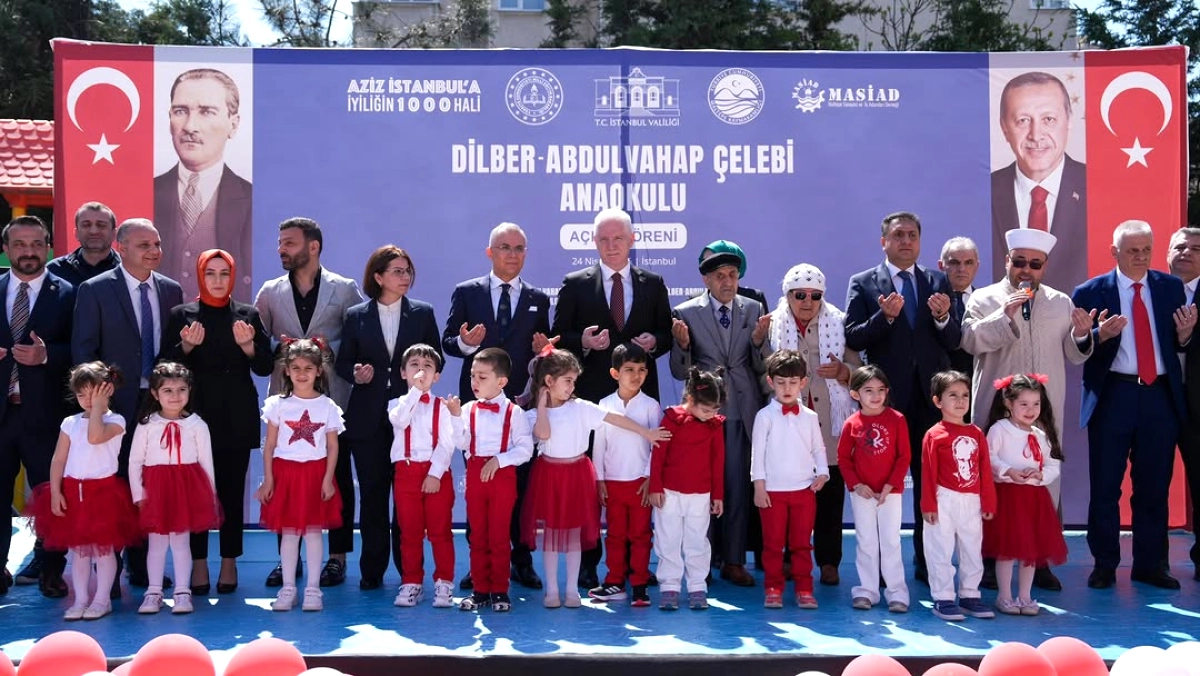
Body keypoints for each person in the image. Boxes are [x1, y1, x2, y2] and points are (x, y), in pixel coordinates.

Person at [960, 228, 1092, 591]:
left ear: (1044, 267)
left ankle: (1040, 560)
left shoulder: (1060, 302)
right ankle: (991, 561)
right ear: (1007, 261)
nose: (1026, 270)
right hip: (997, 410)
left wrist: (1084, 334)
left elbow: (1073, 353)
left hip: (1041, 413)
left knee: (1042, 481)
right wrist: (1005, 316)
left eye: (1035, 264)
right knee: (995, 483)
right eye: (1019, 262)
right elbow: (969, 340)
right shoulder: (984, 298)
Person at [553, 208, 673, 589]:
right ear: (594, 242)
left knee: (639, 483)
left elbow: (666, 333)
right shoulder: (575, 284)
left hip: (640, 399)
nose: (611, 246)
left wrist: (654, 342)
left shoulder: (653, 283)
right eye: (603, 239)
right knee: (592, 485)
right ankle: (590, 564)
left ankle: (638, 566)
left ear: (632, 240)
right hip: (592, 400)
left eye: (618, 238)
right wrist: (584, 342)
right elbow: (560, 335)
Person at [1072, 220, 1193, 590]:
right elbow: (1078, 347)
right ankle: (1104, 564)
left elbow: (1177, 342)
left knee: (1154, 485)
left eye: (1146, 250)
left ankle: (1151, 565)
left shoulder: (1170, 287)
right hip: (1113, 394)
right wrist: (1097, 335)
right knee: (1106, 486)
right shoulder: (1090, 291)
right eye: (1132, 251)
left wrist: (1185, 336)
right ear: (1115, 252)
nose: (1140, 257)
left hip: (1159, 396)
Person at [845, 211, 960, 583]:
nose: (906, 241)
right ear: (884, 242)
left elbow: (954, 340)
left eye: (912, 235)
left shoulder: (938, 281)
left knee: (930, 484)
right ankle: (881, 567)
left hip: (930, 400)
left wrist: (943, 318)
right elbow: (853, 336)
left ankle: (929, 562)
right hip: (884, 403)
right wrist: (885, 318)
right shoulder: (864, 282)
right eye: (898, 235)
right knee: (882, 485)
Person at [73, 218, 184, 593]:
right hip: (114, 405)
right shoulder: (95, 290)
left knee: (149, 483)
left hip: (157, 405)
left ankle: (142, 566)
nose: (154, 251)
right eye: (144, 245)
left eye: (157, 244)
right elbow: (84, 350)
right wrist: (96, 403)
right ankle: (111, 566)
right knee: (115, 484)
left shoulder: (171, 290)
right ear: (121, 248)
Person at [441, 222, 551, 592]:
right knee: (479, 490)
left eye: (519, 248)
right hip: (476, 407)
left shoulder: (538, 299)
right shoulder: (467, 292)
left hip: (519, 406)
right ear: (490, 252)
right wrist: (465, 343)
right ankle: (480, 564)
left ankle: (521, 561)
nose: (512, 254)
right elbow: (448, 342)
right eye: (505, 247)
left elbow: (543, 351)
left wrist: (543, 350)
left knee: (519, 487)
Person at [254, 217, 361, 588]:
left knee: (338, 476)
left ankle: (337, 557)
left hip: (333, 399)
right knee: (286, 477)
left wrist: (331, 349)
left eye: (289, 243)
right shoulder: (269, 291)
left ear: (313, 247)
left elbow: (359, 335)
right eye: (280, 243)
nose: (281, 249)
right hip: (285, 402)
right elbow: (258, 340)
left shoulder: (344, 288)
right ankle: (288, 560)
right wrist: (280, 348)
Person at [522, 348, 669, 609]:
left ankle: (571, 590)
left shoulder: (581, 407)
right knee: (552, 536)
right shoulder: (533, 415)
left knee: (574, 536)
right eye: (568, 380)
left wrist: (645, 432)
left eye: (573, 381)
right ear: (549, 381)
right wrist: (542, 406)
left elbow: (615, 419)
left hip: (577, 475)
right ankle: (552, 590)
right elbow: (542, 435)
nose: (572, 387)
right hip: (549, 477)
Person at [163, 249, 272, 595]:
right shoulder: (182, 315)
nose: (218, 280)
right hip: (194, 416)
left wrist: (249, 347)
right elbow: (164, 367)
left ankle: (228, 561)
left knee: (231, 492)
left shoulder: (248, 314)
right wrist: (185, 348)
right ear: (200, 276)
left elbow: (265, 366)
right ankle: (198, 562)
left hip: (236, 416)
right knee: (196, 494)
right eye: (210, 273)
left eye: (224, 273)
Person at [335, 245, 441, 591]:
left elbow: (436, 357)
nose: (404, 276)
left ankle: (409, 572)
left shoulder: (422, 313)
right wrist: (357, 372)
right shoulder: (356, 315)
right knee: (373, 496)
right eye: (397, 271)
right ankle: (372, 570)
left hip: (413, 421)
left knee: (408, 503)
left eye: (407, 270)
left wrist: (422, 374)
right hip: (367, 417)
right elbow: (343, 362)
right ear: (378, 277)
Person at [671, 246, 770, 587]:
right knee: (701, 488)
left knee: (739, 488)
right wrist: (683, 346)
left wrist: (758, 343)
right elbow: (678, 371)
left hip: (742, 410)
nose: (727, 282)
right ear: (706, 280)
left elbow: (762, 365)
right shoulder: (685, 312)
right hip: (703, 411)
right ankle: (702, 562)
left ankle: (734, 561)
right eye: (719, 276)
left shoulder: (754, 308)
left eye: (732, 275)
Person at [764, 263, 860, 586]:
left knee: (830, 494)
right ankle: (789, 559)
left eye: (815, 295)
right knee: (789, 492)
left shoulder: (840, 323)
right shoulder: (772, 325)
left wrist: (844, 372)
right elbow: (761, 370)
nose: (807, 302)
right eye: (800, 295)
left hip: (829, 423)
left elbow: (860, 368)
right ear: (787, 295)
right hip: (788, 424)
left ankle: (829, 561)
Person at [27, 362, 139, 620]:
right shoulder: (70, 422)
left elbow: (95, 437)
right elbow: (58, 459)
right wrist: (56, 491)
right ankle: (80, 599)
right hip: (73, 492)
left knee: (103, 550)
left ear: (108, 390)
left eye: (93, 394)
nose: (87, 400)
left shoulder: (116, 421)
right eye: (81, 394)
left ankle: (102, 600)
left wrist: (99, 408)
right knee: (78, 552)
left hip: (103, 493)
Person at [0, 216, 76, 598]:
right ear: (6, 249)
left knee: (50, 495)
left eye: (35, 244)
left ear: (47, 246)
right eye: (19, 244)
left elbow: (81, 349)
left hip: (47, 417)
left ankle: (51, 570)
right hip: (2, 416)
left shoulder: (69, 293)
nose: (28, 251)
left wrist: (47, 356)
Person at [256, 338, 345, 612]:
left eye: (308, 368)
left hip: (315, 474)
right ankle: (288, 588)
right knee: (290, 533)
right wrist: (268, 479)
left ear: (319, 371)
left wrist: (328, 478)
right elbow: (270, 445)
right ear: (286, 370)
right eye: (296, 367)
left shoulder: (328, 406)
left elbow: (332, 446)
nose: (302, 373)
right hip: (286, 474)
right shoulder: (277, 405)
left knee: (314, 533)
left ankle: (313, 590)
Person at [128, 362, 221, 616]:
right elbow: (135, 461)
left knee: (181, 542)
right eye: (167, 390)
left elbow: (207, 463)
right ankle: (153, 592)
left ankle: (182, 592)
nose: (175, 396)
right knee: (156, 544)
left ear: (190, 391)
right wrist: (138, 494)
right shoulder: (146, 425)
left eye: (181, 389)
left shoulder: (197, 425)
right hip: (156, 491)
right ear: (155, 393)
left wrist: (209, 496)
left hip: (185, 490)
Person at [154, 68, 252, 302]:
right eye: (180, 111)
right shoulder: (146, 193)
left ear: (233, 124)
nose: (190, 126)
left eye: (206, 112)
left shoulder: (254, 199)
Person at [452, 348, 535, 612]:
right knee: (477, 536)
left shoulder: (514, 412)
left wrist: (499, 460)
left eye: (482, 377)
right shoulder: (468, 409)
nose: (474, 382)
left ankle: (499, 590)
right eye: (472, 375)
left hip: (502, 477)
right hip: (476, 476)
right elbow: (461, 443)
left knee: (499, 536)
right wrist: (454, 418)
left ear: (501, 382)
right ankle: (479, 590)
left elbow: (525, 450)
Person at [991, 71, 1087, 294]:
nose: (1036, 134)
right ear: (1004, 127)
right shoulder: (983, 191)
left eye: (1048, 119)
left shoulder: (1098, 186)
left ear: (1069, 121)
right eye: (1023, 120)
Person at [982, 373, 1068, 617]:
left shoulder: (1040, 434)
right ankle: (1004, 596)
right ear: (1008, 403)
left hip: (1033, 499)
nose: (1031, 410)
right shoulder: (1000, 429)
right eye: (1024, 404)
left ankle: (1025, 596)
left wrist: (1040, 475)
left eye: (1036, 404)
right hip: (1008, 498)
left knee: (1030, 551)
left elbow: (1052, 465)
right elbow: (988, 458)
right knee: (1007, 550)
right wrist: (1009, 470)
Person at [751, 350, 828, 610]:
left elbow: (818, 447)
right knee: (773, 545)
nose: (787, 388)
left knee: (802, 544)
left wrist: (823, 472)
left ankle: (805, 589)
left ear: (803, 382)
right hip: (772, 492)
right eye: (781, 382)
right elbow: (757, 453)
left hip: (804, 490)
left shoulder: (810, 416)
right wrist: (759, 486)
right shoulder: (764, 416)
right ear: (770, 382)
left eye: (793, 382)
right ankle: (773, 588)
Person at [589, 343, 663, 606]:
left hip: (640, 483)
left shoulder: (651, 406)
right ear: (615, 373)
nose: (636, 375)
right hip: (613, 483)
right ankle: (615, 582)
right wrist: (599, 479)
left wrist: (649, 477)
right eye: (629, 369)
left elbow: (657, 446)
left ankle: (640, 585)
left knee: (641, 536)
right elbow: (599, 445)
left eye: (641, 369)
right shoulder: (604, 404)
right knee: (615, 535)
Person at [920, 371, 996, 622]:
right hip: (943, 498)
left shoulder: (976, 433)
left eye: (965, 395)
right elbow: (928, 473)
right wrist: (928, 504)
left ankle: (970, 595)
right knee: (940, 549)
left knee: (972, 549)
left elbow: (985, 470)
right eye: (952, 395)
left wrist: (988, 501)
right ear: (937, 401)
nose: (961, 400)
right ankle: (943, 598)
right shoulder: (934, 434)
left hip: (971, 499)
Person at [648, 367, 725, 611]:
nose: (711, 415)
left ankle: (697, 586)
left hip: (700, 494)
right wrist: (655, 486)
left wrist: (718, 495)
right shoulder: (672, 419)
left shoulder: (714, 425)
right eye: (706, 410)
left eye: (715, 410)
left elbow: (718, 461)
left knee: (697, 540)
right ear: (690, 399)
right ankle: (669, 586)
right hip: (669, 492)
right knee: (668, 538)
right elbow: (658, 455)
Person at [386, 344, 457, 609]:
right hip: (406, 473)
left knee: (440, 532)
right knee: (410, 532)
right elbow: (399, 421)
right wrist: (415, 391)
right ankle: (412, 582)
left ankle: (444, 582)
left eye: (427, 366)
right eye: (414, 365)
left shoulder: (444, 407)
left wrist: (435, 473)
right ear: (403, 373)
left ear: (436, 376)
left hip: (436, 473)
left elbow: (447, 443)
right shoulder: (397, 404)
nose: (421, 370)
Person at [838, 365, 911, 613]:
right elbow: (843, 459)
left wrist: (891, 484)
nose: (876, 395)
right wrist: (857, 485)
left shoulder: (897, 419)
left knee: (891, 542)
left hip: (890, 493)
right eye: (868, 390)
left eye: (881, 389)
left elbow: (904, 456)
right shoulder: (851, 423)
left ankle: (897, 592)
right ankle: (867, 590)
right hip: (863, 494)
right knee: (866, 541)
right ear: (855, 394)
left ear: (887, 392)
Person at [1168, 227, 1200, 579]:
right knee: (1151, 485)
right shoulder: (1154, 291)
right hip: (1158, 402)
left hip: (1198, 408)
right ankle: (1152, 563)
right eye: (1180, 247)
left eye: (1196, 248)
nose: (1187, 252)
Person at [46, 202, 121, 289]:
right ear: (76, 233)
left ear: (114, 233)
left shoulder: (127, 269)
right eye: (86, 225)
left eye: (101, 225)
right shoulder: (54, 270)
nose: (93, 231)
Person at [938, 237, 980, 379]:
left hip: (977, 381)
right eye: (954, 262)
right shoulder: (931, 301)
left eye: (968, 263)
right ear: (941, 265)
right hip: (939, 381)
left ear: (977, 266)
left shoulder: (986, 301)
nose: (962, 269)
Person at [697, 240, 769, 312]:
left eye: (712, 261)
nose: (706, 266)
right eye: (704, 261)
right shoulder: (695, 302)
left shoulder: (754, 300)